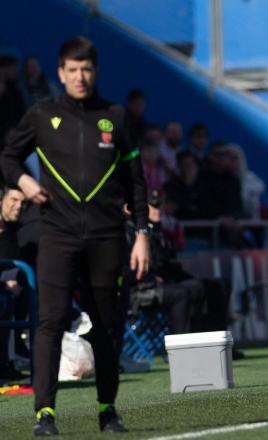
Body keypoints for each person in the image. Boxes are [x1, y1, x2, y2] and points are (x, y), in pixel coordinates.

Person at [1, 36, 149, 436]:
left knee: (106, 326)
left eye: (86, 69)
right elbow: (7, 156)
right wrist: (26, 185)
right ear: (60, 73)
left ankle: (107, 409)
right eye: (72, 70)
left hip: (106, 236)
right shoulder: (41, 114)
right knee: (49, 322)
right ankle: (44, 414)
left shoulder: (116, 117)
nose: (80, 77)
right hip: (57, 233)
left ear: (95, 72)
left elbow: (136, 182)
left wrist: (142, 235)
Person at [0, 186, 29, 383]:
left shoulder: (12, 233)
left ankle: (8, 362)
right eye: (13, 200)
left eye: (22, 202)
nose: (18, 207)